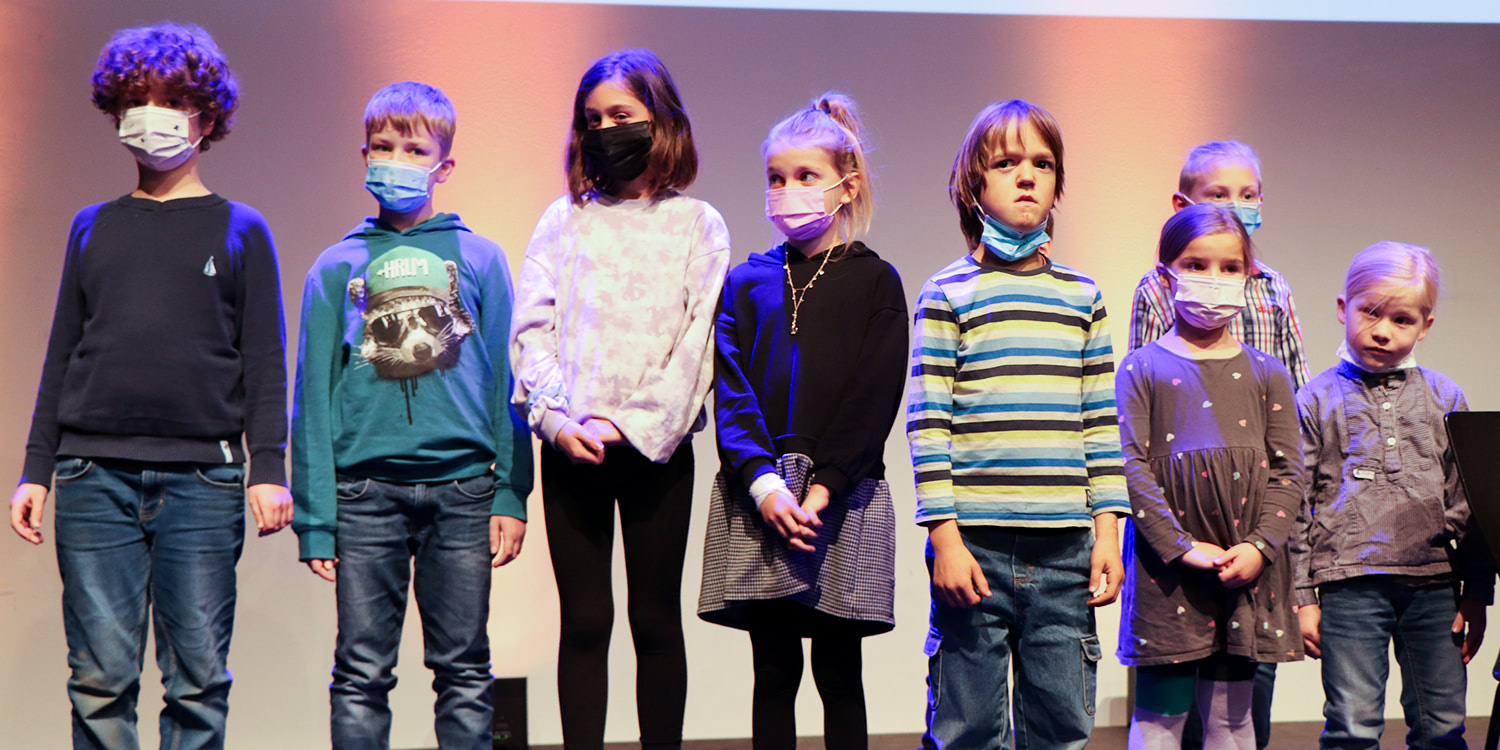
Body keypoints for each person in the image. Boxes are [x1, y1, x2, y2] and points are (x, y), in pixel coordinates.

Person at [7, 22, 290, 750]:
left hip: (204, 480)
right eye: (136, 101)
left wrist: (269, 469)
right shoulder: (90, 227)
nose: (151, 116)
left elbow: (263, 360)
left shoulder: (240, 227)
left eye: (170, 101)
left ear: (207, 114)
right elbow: (63, 352)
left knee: (198, 682)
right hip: (93, 473)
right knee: (99, 682)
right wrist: (36, 468)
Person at [290, 81, 532, 750]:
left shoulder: (481, 259)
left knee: (463, 669)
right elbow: (312, 394)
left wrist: (511, 490)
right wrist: (315, 518)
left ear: (443, 165)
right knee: (362, 671)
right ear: (363, 155)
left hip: (463, 490)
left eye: (414, 147)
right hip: (364, 494)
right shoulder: (335, 267)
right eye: (383, 146)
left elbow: (507, 385)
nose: (396, 158)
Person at [509, 48, 730, 749]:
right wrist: (555, 417)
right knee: (583, 622)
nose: (607, 129)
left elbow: (700, 347)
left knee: (656, 620)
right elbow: (530, 331)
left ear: (660, 120)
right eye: (593, 119)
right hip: (572, 448)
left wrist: (630, 425)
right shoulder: (561, 221)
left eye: (622, 116)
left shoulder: (699, 224)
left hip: (655, 453)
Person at [908, 99, 1128, 750]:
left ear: (1059, 184)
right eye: (1006, 163)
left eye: (1042, 163)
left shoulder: (1082, 298)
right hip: (973, 545)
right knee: (968, 726)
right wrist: (945, 539)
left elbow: (1099, 421)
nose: (1026, 176)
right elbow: (928, 424)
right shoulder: (948, 293)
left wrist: (1108, 532)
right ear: (973, 185)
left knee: (1059, 723)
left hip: (1065, 551)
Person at [698, 91, 906, 750]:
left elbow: (874, 395)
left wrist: (823, 486)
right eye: (777, 178)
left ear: (847, 186)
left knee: (840, 670)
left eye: (805, 177)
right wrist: (762, 482)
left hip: (840, 497)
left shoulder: (876, 280)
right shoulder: (745, 281)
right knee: (774, 670)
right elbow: (731, 391)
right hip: (761, 494)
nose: (787, 191)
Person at [1127, 139, 1308, 750]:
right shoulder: (1142, 368)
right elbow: (1128, 464)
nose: (1214, 280)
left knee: (1234, 720)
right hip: (1169, 578)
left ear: (1250, 276)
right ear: (1165, 275)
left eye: (1230, 268)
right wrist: (1181, 548)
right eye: (1197, 265)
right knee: (1160, 720)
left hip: (1248, 572)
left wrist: (1261, 546)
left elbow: (1289, 469)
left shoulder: (1267, 372)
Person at [1292, 241, 1492, 750]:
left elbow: (1468, 503)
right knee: (1353, 726)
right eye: (1370, 313)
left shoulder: (1445, 397)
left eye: (1402, 320)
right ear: (1344, 309)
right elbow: (1295, 503)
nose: (1382, 330)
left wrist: (1476, 592)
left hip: (1434, 586)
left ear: (1425, 325)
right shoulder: (1315, 399)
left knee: (1443, 725)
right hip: (1348, 584)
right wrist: (1301, 597)